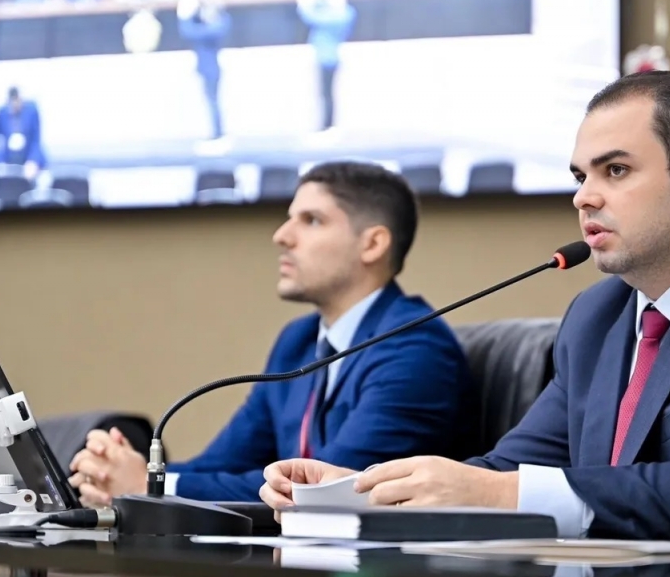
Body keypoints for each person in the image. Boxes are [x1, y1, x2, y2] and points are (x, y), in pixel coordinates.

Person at [259, 71, 670, 544]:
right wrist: (358, 492)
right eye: (579, 176)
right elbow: (511, 470)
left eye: (615, 171)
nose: (583, 198)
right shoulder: (597, 318)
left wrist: (499, 492)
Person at [69, 161, 476, 505]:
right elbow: (222, 464)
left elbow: (329, 489)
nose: (281, 235)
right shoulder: (298, 342)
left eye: (311, 220)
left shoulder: (416, 350)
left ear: (372, 244)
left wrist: (150, 486)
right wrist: (126, 475)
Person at [297, 0, 355, 132]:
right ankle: (327, 123)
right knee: (325, 93)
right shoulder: (343, 14)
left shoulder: (338, 17)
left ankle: (328, 124)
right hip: (326, 58)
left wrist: (304, 3)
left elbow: (311, 16)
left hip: (327, 59)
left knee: (326, 93)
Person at [176, 0, 231, 146]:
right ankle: (215, 132)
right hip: (205, 68)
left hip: (211, 70)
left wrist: (183, 17)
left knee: (213, 101)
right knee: (209, 100)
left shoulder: (216, 28)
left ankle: (217, 133)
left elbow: (189, 32)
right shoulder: (212, 26)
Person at [0, 87, 46, 179]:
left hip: (28, 155)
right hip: (9, 157)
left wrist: (33, 160)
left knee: (32, 172)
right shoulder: (2, 113)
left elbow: (36, 140)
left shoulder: (31, 112)